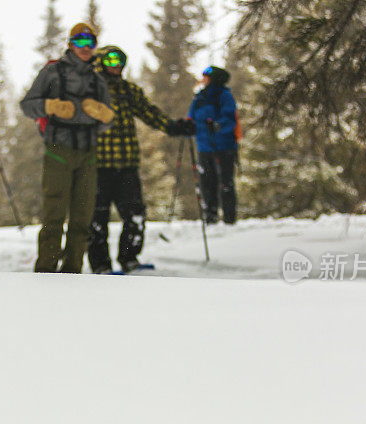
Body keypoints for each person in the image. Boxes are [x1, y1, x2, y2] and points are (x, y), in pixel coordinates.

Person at [88, 45, 195, 274]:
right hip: (98, 166)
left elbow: (149, 113)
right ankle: (100, 265)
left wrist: (174, 127)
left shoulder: (129, 91)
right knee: (97, 216)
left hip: (127, 164)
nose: (115, 65)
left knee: (135, 214)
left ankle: (129, 259)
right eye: (110, 60)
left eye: (119, 60)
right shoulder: (90, 90)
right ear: (101, 63)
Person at [20, 23, 114, 274]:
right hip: (57, 150)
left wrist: (104, 116)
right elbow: (27, 105)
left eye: (91, 42)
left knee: (83, 218)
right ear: (70, 43)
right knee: (54, 215)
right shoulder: (52, 73)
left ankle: (73, 272)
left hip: (88, 154)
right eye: (80, 41)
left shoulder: (98, 82)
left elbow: (107, 123)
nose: (86, 47)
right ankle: (45, 271)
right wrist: (50, 106)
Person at [188, 66, 242, 225]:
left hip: (224, 147)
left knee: (225, 183)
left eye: (206, 76)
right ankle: (210, 217)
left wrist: (218, 126)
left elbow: (230, 118)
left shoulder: (224, 95)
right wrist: (186, 126)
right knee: (207, 183)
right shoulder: (199, 97)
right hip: (204, 147)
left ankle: (229, 219)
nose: (203, 79)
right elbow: (191, 117)